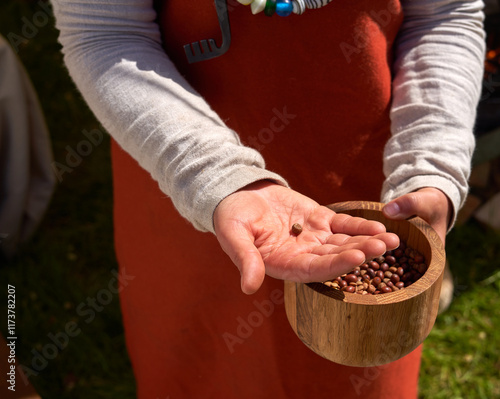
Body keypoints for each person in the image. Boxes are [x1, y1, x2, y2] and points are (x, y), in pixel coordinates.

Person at [52, 0, 485, 398]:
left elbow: (446, 14)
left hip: (366, 183)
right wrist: (220, 180)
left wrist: (432, 161)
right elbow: (104, 33)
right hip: (185, 173)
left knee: (356, 363)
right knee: (202, 361)